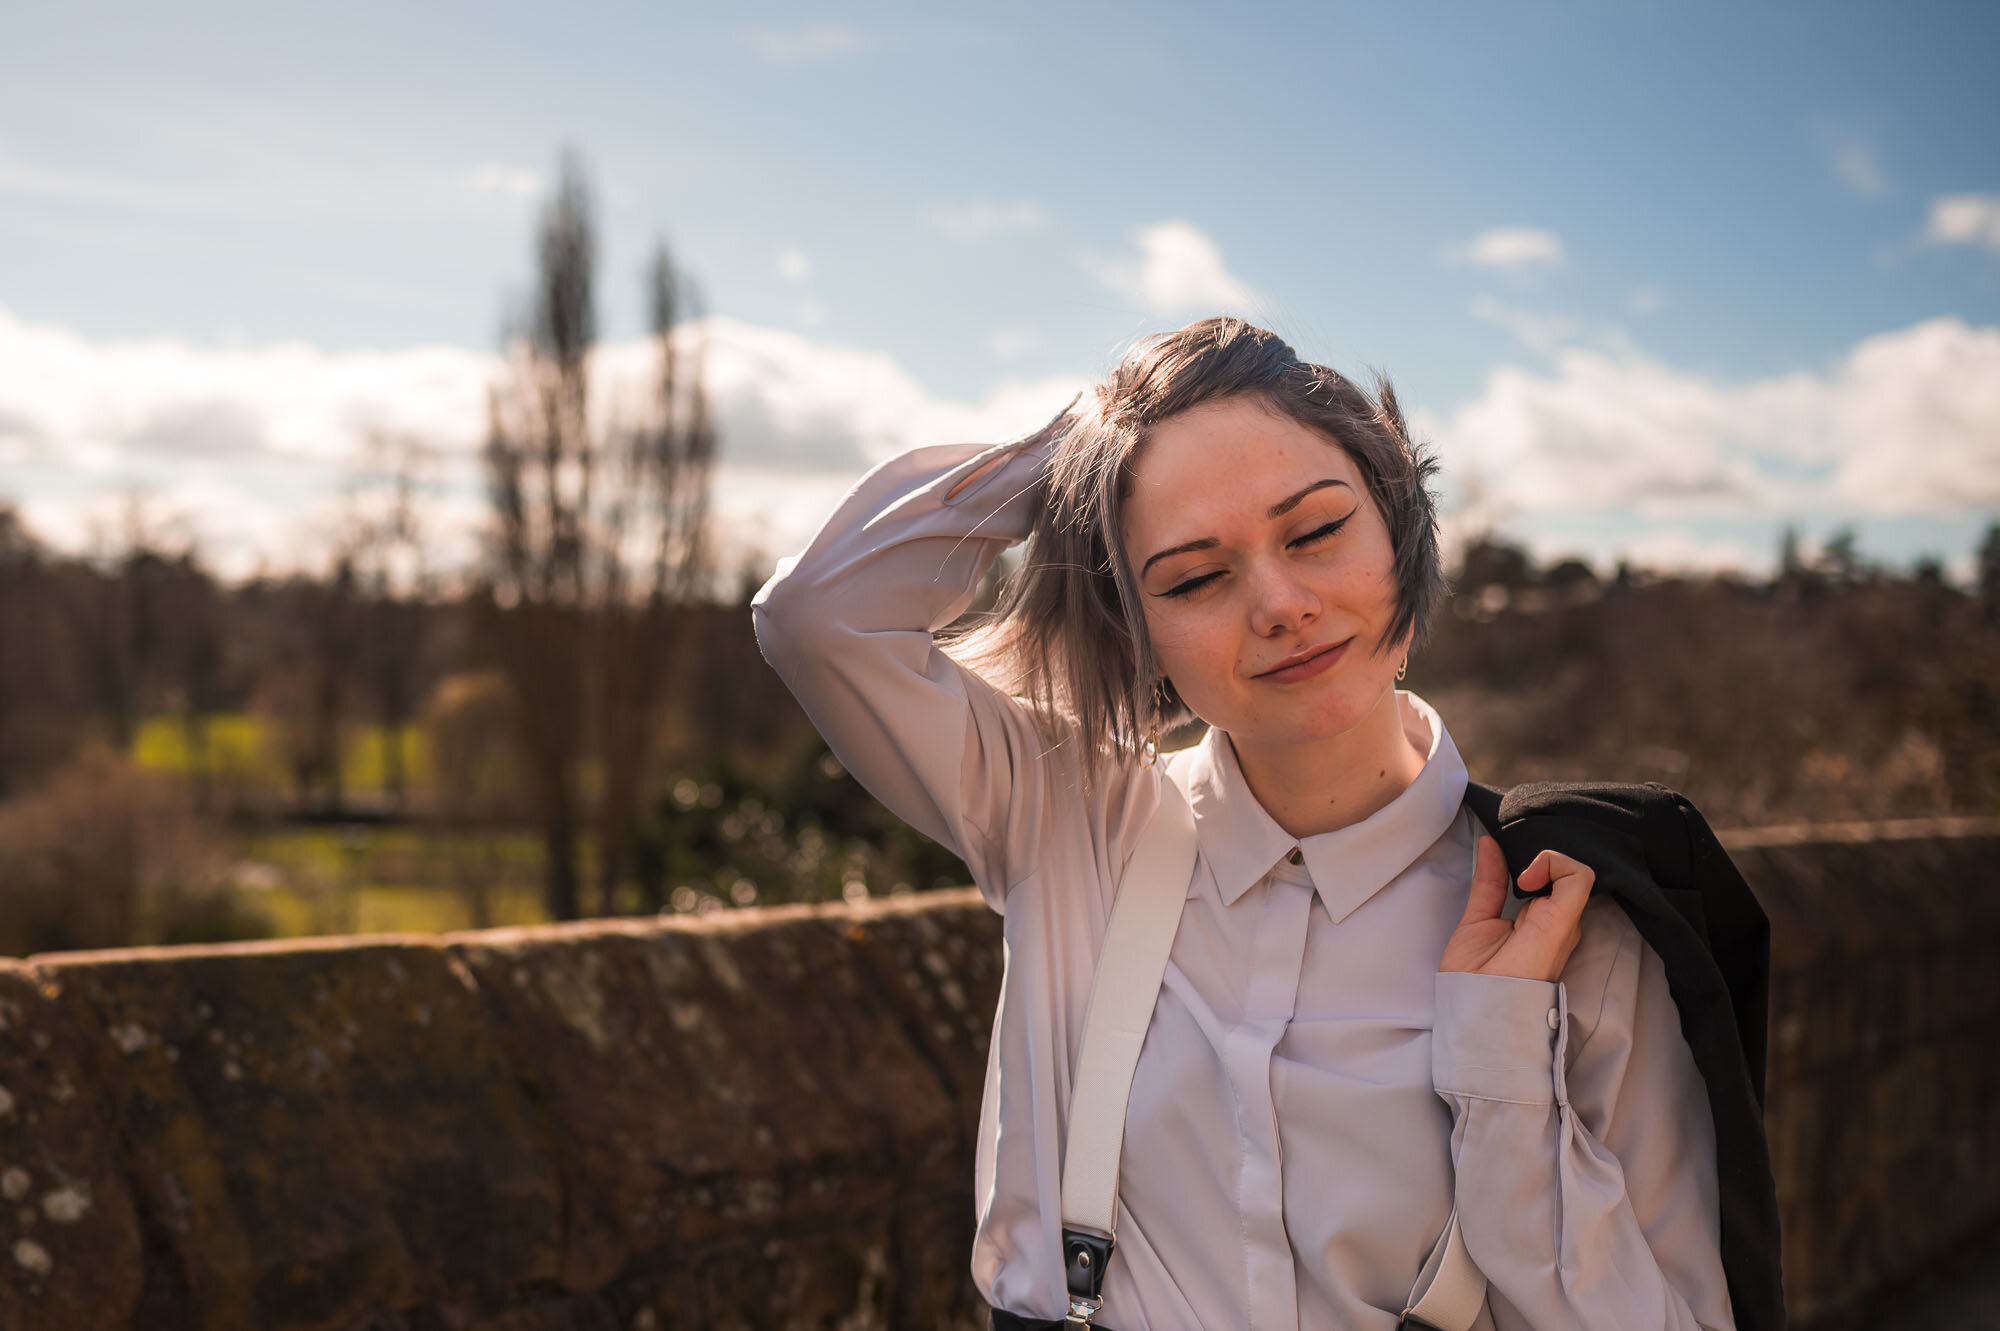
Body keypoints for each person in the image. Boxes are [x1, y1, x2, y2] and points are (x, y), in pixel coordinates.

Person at [751, 317, 1735, 1331]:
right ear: (1136, 633)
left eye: (1312, 532)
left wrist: (1497, 1069)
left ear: (1398, 529)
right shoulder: (1065, 821)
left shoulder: (1571, 922)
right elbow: (817, 615)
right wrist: (1098, 444)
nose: (1278, 602)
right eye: (1191, 577)